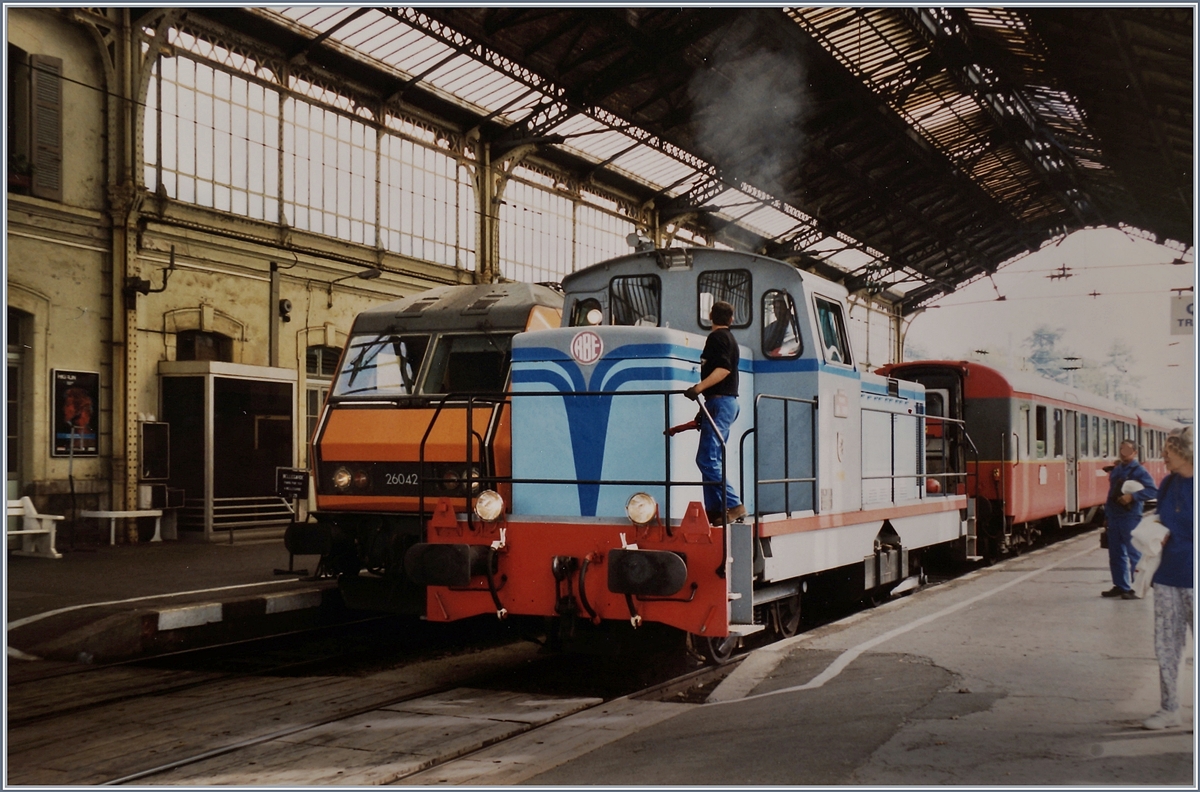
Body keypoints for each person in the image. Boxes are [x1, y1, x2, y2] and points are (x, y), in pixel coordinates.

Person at [1143, 427, 1194, 730]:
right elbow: (1162, 517)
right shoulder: (1167, 483)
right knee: (1166, 644)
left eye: (1168, 452)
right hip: (1167, 575)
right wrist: (1154, 532)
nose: (1163, 458)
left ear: (1185, 452)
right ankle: (1169, 708)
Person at [685, 300, 746, 524]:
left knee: (707, 459)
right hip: (720, 403)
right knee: (711, 458)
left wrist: (698, 388)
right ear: (732, 318)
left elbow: (723, 369)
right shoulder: (730, 339)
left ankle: (733, 505)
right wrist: (704, 407)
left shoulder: (717, 338)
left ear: (711, 316)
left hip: (720, 402)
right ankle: (716, 511)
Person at [1102, 438, 1157, 599]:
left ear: (1134, 453)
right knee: (1116, 554)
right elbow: (1110, 494)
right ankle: (1120, 585)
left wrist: (1133, 497)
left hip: (1130, 517)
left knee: (1134, 554)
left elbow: (1152, 490)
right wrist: (1107, 516)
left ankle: (1137, 588)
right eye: (1121, 450)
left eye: (1127, 451)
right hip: (1115, 516)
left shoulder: (1139, 471)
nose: (1123, 453)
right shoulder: (1118, 469)